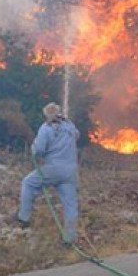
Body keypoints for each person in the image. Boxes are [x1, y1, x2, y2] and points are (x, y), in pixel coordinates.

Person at [17, 102, 80, 243]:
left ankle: (23, 217)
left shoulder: (46, 128)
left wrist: (33, 151)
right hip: (70, 171)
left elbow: (39, 150)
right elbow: (77, 136)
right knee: (70, 205)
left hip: (53, 168)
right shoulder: (69, 126)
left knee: (28, 183)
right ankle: (69, 238)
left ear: (46, 114)